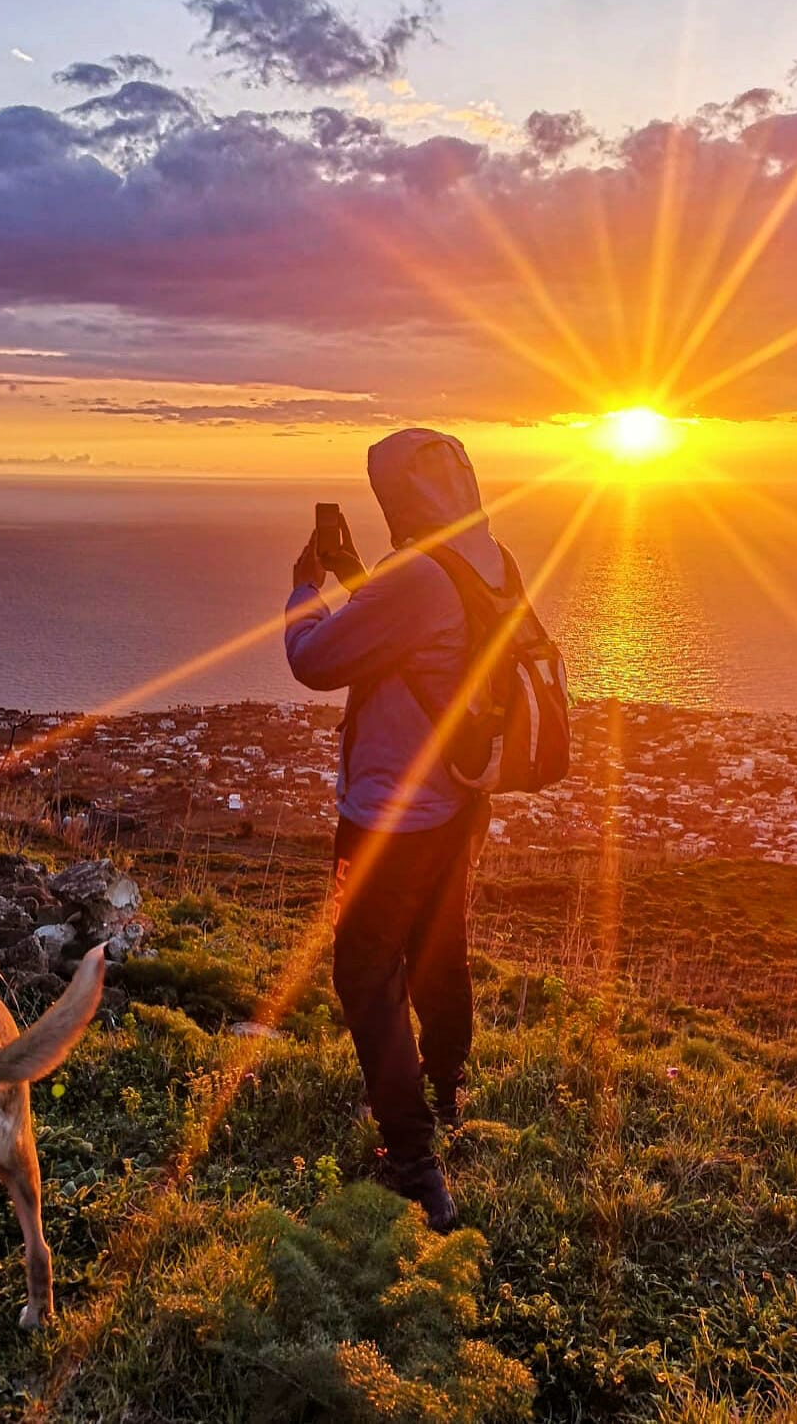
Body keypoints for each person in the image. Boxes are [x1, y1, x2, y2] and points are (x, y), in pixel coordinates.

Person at [284, 427, 511, 1233]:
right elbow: (411, 634)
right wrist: (355, 578)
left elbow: (315, 659)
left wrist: (305, 587)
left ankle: (414, 1162)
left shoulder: (417, 574)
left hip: (389, 814)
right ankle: (446, 1089)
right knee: (438, 946)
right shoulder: (484, 557)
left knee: (364, 972)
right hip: (458, 800)